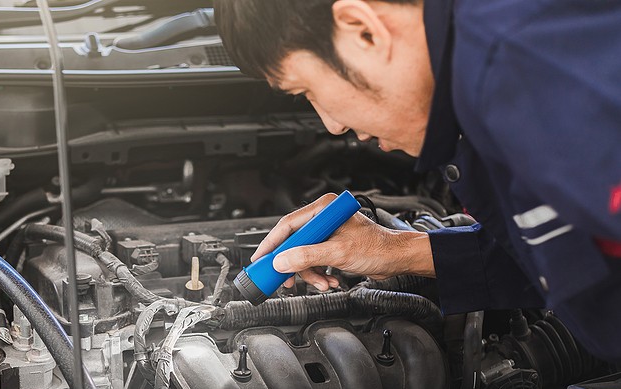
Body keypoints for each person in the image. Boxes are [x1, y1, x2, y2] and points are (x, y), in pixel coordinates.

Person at [214, 0, 621, 363]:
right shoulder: (493, 59)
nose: (333, 126)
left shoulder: (536, 72)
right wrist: (401, 251)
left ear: (363, 30)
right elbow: (582, 257)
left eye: (307, 90)